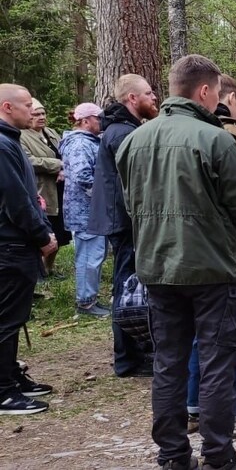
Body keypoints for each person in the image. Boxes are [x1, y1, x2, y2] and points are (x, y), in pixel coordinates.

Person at [116, 55, 236, 470]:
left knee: (169, 363)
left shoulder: (134, 141)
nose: (218, 97)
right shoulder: (216, 139)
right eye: (217, 91)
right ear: (204, 91)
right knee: (219, 363)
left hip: (159, 268)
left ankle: (173, 456)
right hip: (214, 270)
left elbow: (132, 205)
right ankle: (219, 456)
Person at [181, 75, 236, 441]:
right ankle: (229, 415)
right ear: (227, 97)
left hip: (182, 250)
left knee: (197, 337)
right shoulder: (231, 134)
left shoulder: (166, 131)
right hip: (232, 249)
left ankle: (191, 407)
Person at [89, 73, 158, 378]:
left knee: (131, 286)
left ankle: (137, 350)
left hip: (125, 221)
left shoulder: (124, 129)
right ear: (132, 99)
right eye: (148, 93)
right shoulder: (121, 134)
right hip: (125, 222)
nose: (154, 97)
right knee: (127, 288)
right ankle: (128, 358)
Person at [0, 84, 57, 416]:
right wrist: (40, 235)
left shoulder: (11, 141)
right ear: (8, 108)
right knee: (6, 320)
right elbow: (15, 201)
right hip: (10, 245)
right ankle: (4, 391)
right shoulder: (3, 145)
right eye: (26, 105)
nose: (33, 109)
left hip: (16, 243)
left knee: (15, 316)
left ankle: (11, 378)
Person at [59, 102, 108, 316]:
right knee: (89, 256)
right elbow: (82, 177)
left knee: (95, 255)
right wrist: (102, 198)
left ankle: (89, 298)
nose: (102, 122)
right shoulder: (79, 143)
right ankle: (85, 302)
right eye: (98, 118)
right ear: (85, 121)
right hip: (85, 212)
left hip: (91, 211)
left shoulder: (90, 141)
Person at [18, 99, 69, 275]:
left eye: (43, 113)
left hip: (60, 190)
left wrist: (65, 167)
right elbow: (29, 160)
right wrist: (57, 165)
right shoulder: (21, 136)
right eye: (36, 114)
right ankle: (38, 269)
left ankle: (49, 267)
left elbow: (65, 152)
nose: (41, 117)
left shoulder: (51, 132)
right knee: (45, 229)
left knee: (59, 232)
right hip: (41, 189)